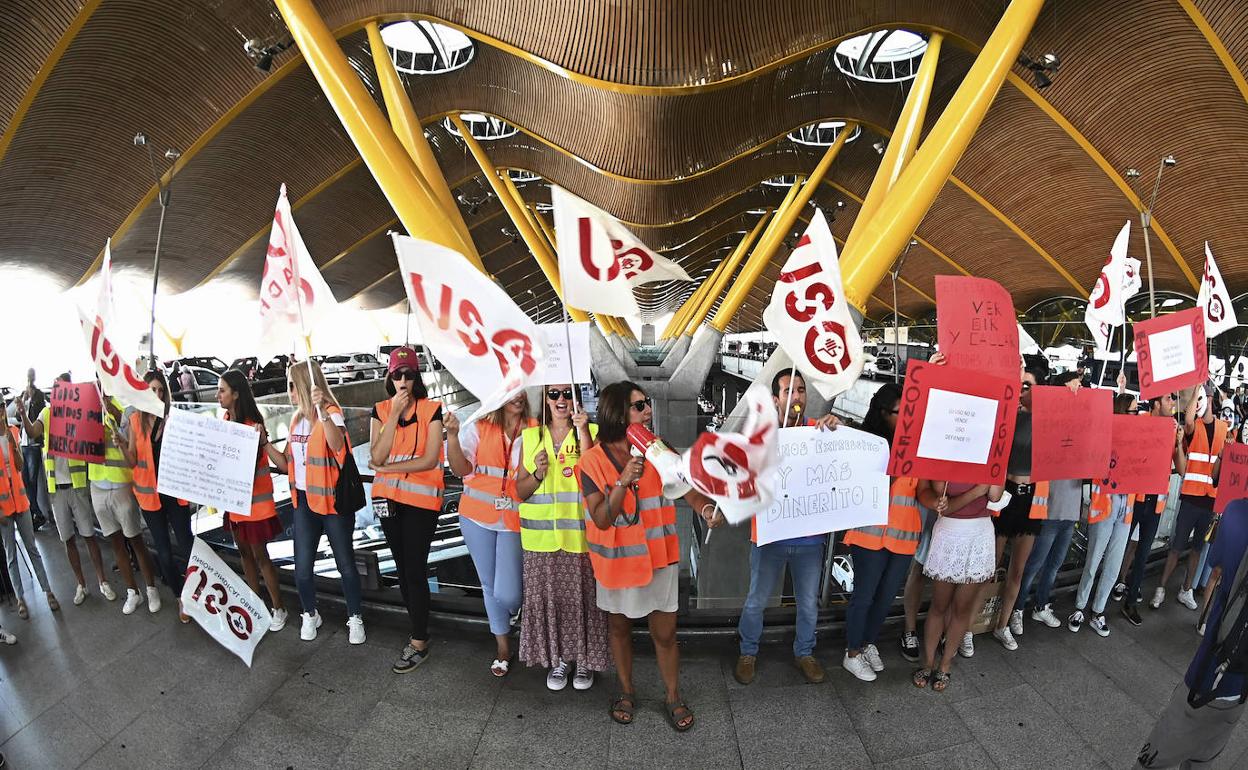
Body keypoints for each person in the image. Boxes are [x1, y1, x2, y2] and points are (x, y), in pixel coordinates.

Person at [580, 381, 718, 731]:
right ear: (616, 413)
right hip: (616, 565)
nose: (648, 411)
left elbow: (690, 492)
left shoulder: (660, 451)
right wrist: (623, 482)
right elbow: (601, 518)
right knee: (619, 629)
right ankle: (626, 691)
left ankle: (672, 695)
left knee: (666, 634)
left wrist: (706, 510)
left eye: (647, 404)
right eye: (638, 406)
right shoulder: (591, 462)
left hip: (660, 561)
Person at [735, 370, 839, 686]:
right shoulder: (760, 435)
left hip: (809, 540)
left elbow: (841, 461)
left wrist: (837, 430)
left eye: (801, 390)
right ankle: (747, 652)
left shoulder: (817, 431)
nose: (796, 396)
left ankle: (805, 652)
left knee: (808, 602)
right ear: (776, 398)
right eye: (788, 390)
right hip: (769, 537)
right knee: (756, 599)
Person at [1135, 498, 1248, 769]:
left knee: (1154, 760)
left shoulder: (1237, 514)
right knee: (1201, 759)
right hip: (1239, 688)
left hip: (1206, 677)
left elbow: (1218, 564)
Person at [264, 361, 365, 644]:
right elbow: (286, 464)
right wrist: (265, 445)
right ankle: (310, 613)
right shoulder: (296, 420)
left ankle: (355, 616)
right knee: (302, 567)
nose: (289, 392)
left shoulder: (332, 412)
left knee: (345, 564)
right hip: (305, 503)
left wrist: (322, 412)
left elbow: (337, 445)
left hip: (332, 503)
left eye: (292, 386)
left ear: (306, 386)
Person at [514, 383, 605, 691]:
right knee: (551, 602)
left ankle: (583, 661)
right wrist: (537, 474)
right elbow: (520, 492)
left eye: (568, 394)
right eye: (554, 394)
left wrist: (583, 433)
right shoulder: (530, 437)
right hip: (540, 543)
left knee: (582, 602)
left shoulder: (590, 432)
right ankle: (559, 660)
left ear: (577, 399)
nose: (561, 400)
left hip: (580, 539)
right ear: (546, 399)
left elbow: (597, 477)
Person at [445, 391, 535, 676]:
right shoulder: (479, 426)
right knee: (488, 585)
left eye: (522, 390)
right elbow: (461, 469)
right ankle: (503, 648)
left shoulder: (535, 429)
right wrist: (452, 436)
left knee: (508, 594)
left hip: (514, 518)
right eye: (511, 390)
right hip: (476, 517)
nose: (518, 395)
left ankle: (513, 616)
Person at [368, 347, 443, 671]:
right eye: (397, 374)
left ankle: (419, 639)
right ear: (389, 377)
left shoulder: (432, 410)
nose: (402, 380)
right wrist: (395, 416)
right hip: (388, 502)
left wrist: (388, 468)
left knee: (414, 568)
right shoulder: (381, 410)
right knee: (401, 568)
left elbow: (429, 459)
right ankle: (417, 630)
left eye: (408, 374)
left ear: (417, 378)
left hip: (422, 504)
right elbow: (376, 455)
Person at [842, 383, 922, 682]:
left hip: (903, 533)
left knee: (886, 596)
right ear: (881, 412)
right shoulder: (865, 442)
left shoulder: (916, 445)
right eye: (897, 413)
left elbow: (921, 491)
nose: (904, 419)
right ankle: (852, 653)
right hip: (869, 534)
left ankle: (867, 643)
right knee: (864, 595)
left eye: (907, 413)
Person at [20, 373, 114, 606]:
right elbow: (33, 432)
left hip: (77, 485)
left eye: (62, 386)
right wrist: (22, 415)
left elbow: (95, 435)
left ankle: (102, 581)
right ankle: (81, 584)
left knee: (89, 535)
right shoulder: (47, 413)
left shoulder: (79, 413)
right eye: (55, 387)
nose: (58, 390)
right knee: (67, 539)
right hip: (57, 489)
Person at [117, 370, 194, 622]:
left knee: (187, 545)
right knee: (163, 553)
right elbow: (133, 460)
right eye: (153, 390)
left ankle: (197, 594)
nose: (158, 394)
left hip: (174, 495)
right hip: (151, 499)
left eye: (161, 390)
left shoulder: (172, 419)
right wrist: (120, 444)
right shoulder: (136, 421)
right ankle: (181, 597)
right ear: (144, 391)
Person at [914, 477, 1003, 692]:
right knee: (939, 605)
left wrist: (995, 471)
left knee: (962, 608)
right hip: (947, 533)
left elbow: (995, 495)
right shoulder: (941, 449)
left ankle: (945, 664)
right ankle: (927, 663)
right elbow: (925, 489)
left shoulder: (991, 454)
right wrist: (937, 502)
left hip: (979, 534)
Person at [217, 369, 287, 631]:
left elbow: (249, 466)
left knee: (261, 556)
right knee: (244, 552)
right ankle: (255, 603)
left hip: (255, 504)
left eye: (222, 390)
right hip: (235, 503)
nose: (218, 395)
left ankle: (279, 608)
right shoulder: (226, 421)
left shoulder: (252, 426)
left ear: (236, 394)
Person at [1067, 393, 1141, 637]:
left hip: (1126, 508)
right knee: (1094, 559)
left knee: (1114, 563)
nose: (1136, 415)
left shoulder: (1137, 440)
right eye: (1132, 411)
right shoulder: (1104, 436)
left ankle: (1098, 610)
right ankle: (1079, 607)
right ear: (1122, 412)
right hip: (1104, 504)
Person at [1016, 371, 1085, 631]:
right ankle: (1018, 607)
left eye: (1079, 387)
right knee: (1034, 563)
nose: (1078, 391)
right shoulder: (1048, 422)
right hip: (1050, 505)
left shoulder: (1083, 425)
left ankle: (1041, 605)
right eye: (1072, 387)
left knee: (1054, 564)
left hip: (1070, 508)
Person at [1153, 384, 1227, 612]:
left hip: (1210, 500)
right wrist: (1195, 390)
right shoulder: (1193, 427)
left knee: (1197, 549)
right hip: (1191, 497)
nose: (1203, 402)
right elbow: (1188, 419)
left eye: (1207, 397)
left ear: (1213, 400)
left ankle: (1186, 589)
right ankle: (1161, 588)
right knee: (1176, 547)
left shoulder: (1225, 429)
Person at [988, 364, 1044, 652]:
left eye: (1029, 385)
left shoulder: (1048, 420)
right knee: (990, 567)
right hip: (1004, 495)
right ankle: (972, 625)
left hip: (1032, 498)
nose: (1023, 390)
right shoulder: (1007, 415)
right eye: (1021, 384)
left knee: (1017, 572)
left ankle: (1002, 624)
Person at [1117, 393, 1186, 626]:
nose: (1172, 404)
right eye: (1168, 400)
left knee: (1143, 552)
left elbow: (1182, 469)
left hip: (1155, 502)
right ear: (1156, 404)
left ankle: (1131, 601)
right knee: (1120, 546)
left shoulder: (1172, 429)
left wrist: (1177, 441)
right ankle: (1110, 588)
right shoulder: (1140, 421)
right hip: (1134, 498)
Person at [91, 393, 161, 615]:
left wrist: (115, 413)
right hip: (97, 485)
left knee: (135, 539)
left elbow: (131, 444)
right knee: (115, 542)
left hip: (121, 483)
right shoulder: (85, 411)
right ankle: (133, 591)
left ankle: (151, 589)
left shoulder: (123, 406)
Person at [0, 407, 58, 617]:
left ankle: (48, 591)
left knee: (32, 548)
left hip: (21, 501)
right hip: (3, 507)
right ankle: (19, 598)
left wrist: (14, 448)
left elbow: (20, 465)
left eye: (0, 408)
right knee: (11, 555)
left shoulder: (13, 432)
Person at [15, 369, 47, 530]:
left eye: (31, 375)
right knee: (26, 480)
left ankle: (37, 514)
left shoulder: (39, 394)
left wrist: (31, 400)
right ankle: (36, 513)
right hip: (24, 443)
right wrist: (23, 399)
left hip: (34, 443)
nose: (29, 378)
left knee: (33, 480)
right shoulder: (23, 394)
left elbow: (38, 413)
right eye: (28, 375)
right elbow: (17, 413)